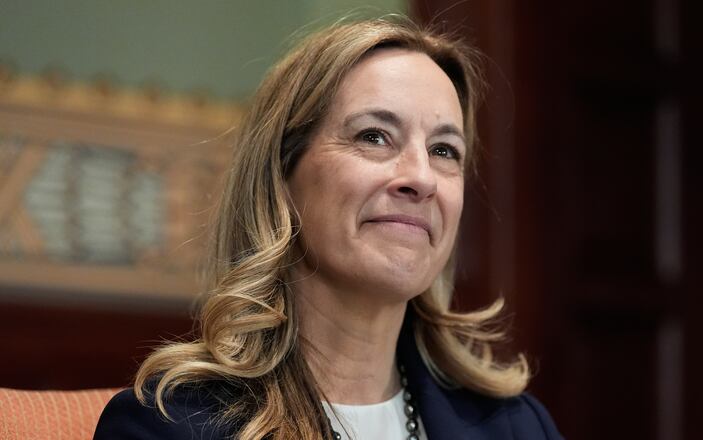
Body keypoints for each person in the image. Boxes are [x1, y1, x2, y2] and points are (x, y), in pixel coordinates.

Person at [94, 16, 563, 440]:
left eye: (444, 151)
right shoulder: (167, 428)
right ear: (281, 176)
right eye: (374, 137)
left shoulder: (518, 427)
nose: (421, 178)